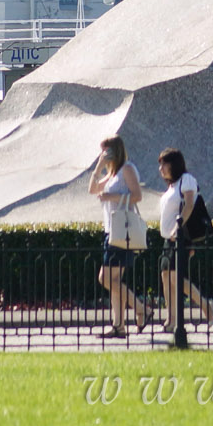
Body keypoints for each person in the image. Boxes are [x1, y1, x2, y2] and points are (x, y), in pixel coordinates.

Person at [87, 136, 150, 336]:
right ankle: (119, 325)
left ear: (115, 151)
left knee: (105, 279)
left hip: (123, 230)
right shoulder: (112, 173)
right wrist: (98, 167)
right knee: (113, 281)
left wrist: (111, 197)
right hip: (112, 231)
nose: (103, 155)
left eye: (106, 152)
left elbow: (137, 195)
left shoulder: (127, 169)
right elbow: (92, 189)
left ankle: (141, 308)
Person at [156, 147, 213, 332]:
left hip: (181, 236)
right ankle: (171, 319)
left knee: (175, 277)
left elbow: (189, 204)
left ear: (174, 164)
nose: (161, 168)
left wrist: (178, 228)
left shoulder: (187, 180)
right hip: (169, 238)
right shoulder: (171, 187)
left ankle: (207, 308)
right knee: (167, 277)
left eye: (164, 163)